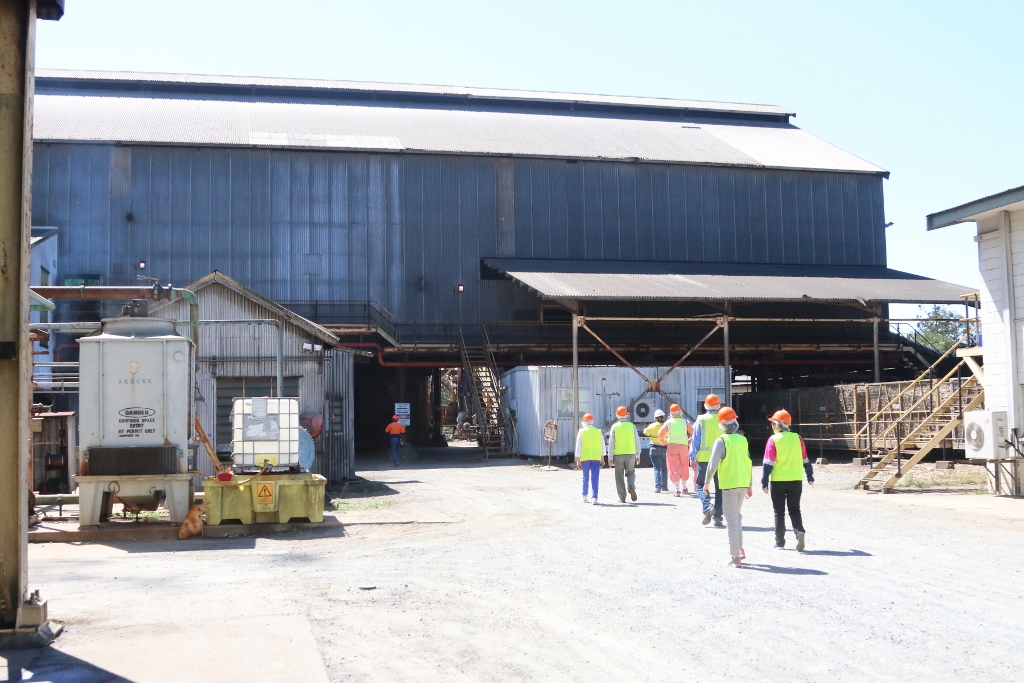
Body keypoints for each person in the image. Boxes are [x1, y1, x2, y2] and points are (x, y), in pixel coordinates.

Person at [703, 406, 752, 567]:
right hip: (743, 482)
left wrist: (707, 481)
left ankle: (735, 556)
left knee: (731, 519)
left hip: (729, 484)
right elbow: (748, 462)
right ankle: (740, 548)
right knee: (737, 516)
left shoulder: (721, 441)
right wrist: (750, 484)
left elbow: (712, 464)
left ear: (722, 424)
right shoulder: (743, 440)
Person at [761, 409, 814, 551]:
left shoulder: (773, 439)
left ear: (779, 425)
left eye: (773, 423)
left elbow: (768, 463)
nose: (772, 426)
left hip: (778, 480)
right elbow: (805, 458)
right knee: (795, 510)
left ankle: (780, 542)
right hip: (796, 480)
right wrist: (809, 475)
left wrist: (764, 481)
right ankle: (799, 532)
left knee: (779, 512)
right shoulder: (798, 438)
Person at [690, 394, 724, 526]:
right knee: (720, 488)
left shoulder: (701, 420)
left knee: (700, 484)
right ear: (719, 405)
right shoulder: (723, 419)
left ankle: (707, 506)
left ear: (705, 406)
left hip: (704, 458)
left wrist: (693, 457)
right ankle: (718, 516)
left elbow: (695, 440)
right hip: (721, 459)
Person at [607, 406, 640, 503]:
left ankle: (622, 497)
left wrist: (610, 457)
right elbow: (637, 440)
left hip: (618, 454)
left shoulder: (614, 427)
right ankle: (631, 487)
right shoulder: (632, 426)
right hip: (631, 453)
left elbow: (611, 443)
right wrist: (638, 454)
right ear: (627, 415)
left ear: (617, 415)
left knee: (619, 476)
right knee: (631, 472)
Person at [659, 404, 693, 496]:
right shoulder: (685, 422)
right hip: (683, 447)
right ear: (680, 412)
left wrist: (664, 441)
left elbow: (660, 433)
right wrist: (690, 440)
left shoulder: (668, 422)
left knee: (674, 467)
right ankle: (684, 488)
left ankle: (677, 490)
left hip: (672, 447)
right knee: (684, 465)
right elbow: (693, 432)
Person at [575, 413, 604, 503]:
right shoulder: (598, 431)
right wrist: (602, 458)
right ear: (593, 421)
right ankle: (594, 497)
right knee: (595, 477)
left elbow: (578, 446)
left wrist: (577, 459)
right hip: (596, 457)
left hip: (585, 457)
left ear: (583, 421)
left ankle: (584, 496)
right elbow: (603, 445)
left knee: (585, 476)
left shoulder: (581, 432)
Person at [643, 409, 669, 493]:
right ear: (663, 417)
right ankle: (664, 487)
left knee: (657, 468)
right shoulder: (666, 426)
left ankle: (658, 488)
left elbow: (645, 432)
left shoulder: (652, 426)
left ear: (655, 418)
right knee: (664, 468)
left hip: (654, 448)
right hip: (664, 448)